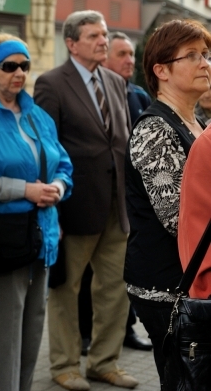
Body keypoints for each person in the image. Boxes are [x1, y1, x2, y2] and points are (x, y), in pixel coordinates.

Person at [0, 34, 73, 391]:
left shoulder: (37, 114)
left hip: (43, 236)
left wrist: (57, 187)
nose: (18, 73)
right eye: (9, 66)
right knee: (5, 334)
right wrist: (26, 190)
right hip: (2, 237)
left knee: (32, 330)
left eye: (24, 66)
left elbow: (63, 164)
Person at [34, 10, 136, 390]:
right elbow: (46, 147)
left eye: (104, 34)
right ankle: (64, 366)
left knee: (115, 288)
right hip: (74, 205)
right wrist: (52, 210)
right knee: (65, 290)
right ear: (72, 43)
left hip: (116, 206)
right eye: (94, 35)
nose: (103, 41)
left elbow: (119, 143)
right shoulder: (51, 83)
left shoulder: (114, 81)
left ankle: (103, 362)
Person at [126, 19, 210, 386]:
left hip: (191, 278)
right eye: (191, 55)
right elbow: (178, 217)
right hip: (167, 288)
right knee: (183, 381)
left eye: (206, 53)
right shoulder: (154, 129)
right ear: (161, 70)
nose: (205, 62)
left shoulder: (199, 121)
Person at [80, 31, 152, 354]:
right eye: (122, 54)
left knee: (124, 273)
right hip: (93, 198)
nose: (130, 61)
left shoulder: (138, 96)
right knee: (84, 277)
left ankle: (125, 331)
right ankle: (84, 334)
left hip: (129, 200)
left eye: (131, 55)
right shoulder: (88, 91)